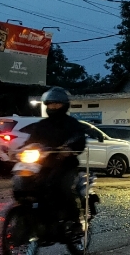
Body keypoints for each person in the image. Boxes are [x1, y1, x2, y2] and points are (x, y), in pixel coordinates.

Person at [22, 87, 87, 227]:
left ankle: (74, 220)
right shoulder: (42, 125)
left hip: (66, 166)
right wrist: (20, 150)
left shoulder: (72, 124)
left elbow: (79, 139)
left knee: (63, 188)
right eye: (51, 104)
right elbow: (31, 141)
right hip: (44, 165)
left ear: (64, 105)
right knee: (27, 183)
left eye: (57, 104)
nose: (53, 106)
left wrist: (69, 149)